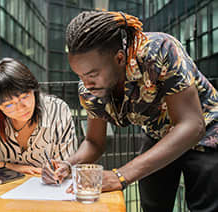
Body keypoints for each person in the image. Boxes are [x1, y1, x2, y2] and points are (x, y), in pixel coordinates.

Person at [42, 11, 218, 211]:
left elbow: (192, 126)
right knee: (152, 205)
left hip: (207, 130)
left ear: (119, 58)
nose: (85, 84)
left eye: (92, 74)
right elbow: (94, 142)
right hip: (158, 134)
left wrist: (120, 175)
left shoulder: (159, 50)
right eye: (80, 75)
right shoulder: (89, 90)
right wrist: (68, 164)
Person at [0, 57, 78, 175]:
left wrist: (59, 172)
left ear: (34, 90)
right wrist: (9, 166)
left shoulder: (57, 109)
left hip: (47, 189)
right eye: (9, 105)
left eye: (25, 96)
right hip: (4, 190)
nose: (22, 108)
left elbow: (68, 164)